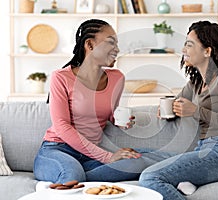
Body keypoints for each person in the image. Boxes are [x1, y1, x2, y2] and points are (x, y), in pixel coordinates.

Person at [139, 20, 218, 199]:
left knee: (150, 177)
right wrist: (167, 109)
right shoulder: (196, 83)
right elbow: (175, 103)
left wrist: (196, 111)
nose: (183, 50)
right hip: (203, 149)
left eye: (189, 45)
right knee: (139, 156)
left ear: (207, 51)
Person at [33, 19, 146, 184]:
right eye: (110, 43)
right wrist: (107, 157)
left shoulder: (117, 78)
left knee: (139, 160)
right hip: (57, 150)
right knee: (73, 173)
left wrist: (120, 120)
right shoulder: (61, 77)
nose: (117, 49)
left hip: (88, 157)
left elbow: (110, 114)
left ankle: (72, 181)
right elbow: (62, 126)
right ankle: (72, 177)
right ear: (90, 45)